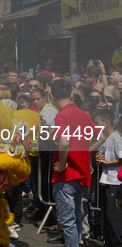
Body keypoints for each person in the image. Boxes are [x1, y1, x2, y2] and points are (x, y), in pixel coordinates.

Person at [51, 79, 96, 247]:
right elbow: (97, 137)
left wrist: (62, 164)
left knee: (68, 221)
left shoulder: (62, 115)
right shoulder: (84, 115)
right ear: (71, 93)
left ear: (52, 96)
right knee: (77, 216)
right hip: (82, 173)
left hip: (67, 175)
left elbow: (64, 141)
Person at [92, 109, 122, 246]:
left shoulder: (117, 138)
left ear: (106, 123)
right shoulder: (106, 139)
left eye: (97, 124)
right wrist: (98, 158)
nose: (95, 127)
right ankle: (108, 241)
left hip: (115, 181)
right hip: (106, 180)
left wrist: (106, 163)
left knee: (113, 217)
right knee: (107, 216)